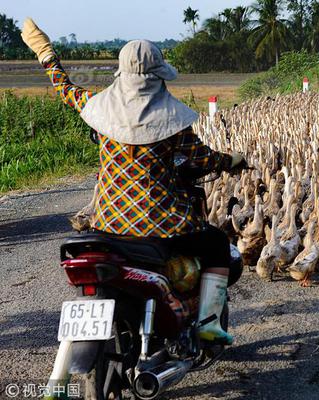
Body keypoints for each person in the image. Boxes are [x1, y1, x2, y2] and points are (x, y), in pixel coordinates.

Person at [21, 18, 244, 345]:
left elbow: (64, 87)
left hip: (108, 225)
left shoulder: (96, 107)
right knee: (214, 244)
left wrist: (45, 53)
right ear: (159, 77)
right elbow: (204, 159)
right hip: (161, 227)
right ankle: (209, 323)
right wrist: (232, 161)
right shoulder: (174, 124)